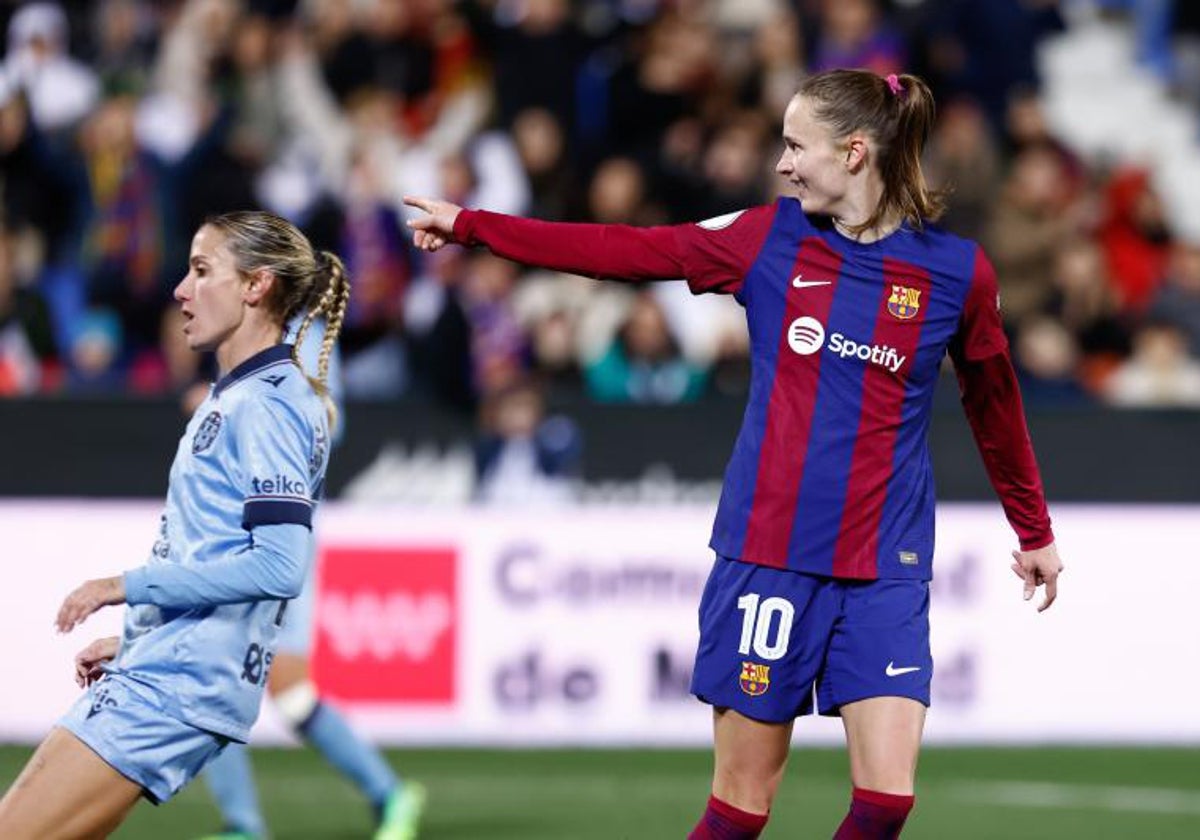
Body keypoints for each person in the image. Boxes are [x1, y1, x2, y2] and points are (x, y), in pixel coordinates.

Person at [404, 69, 1065, 839]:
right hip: (770, 554)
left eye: (795, 146)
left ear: (854, 153)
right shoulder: (768, 239)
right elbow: (625, 250)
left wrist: (1034, 529)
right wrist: (476, 225)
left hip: (888, 560)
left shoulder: (956, 273)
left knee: (886, 802)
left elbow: (995, 403)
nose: (782, 165)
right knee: (739, 812)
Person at [0, 210, 350, 838]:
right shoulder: (242, 395)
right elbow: (213, 544)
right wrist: (141, 635)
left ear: (255, 285)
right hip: (166, 669)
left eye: (201, 270)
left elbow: (278, 564)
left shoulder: (267, 405)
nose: (180, 290)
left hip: (176, 688)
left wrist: (123, 587)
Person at [197, 314, 425, 840]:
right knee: (215, 677)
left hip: (280, 533)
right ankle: (244, 824)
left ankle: (388, 793)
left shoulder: (304, 329)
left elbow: (327, 419)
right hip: (230, 531)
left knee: (284, 688)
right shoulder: (235, 323)